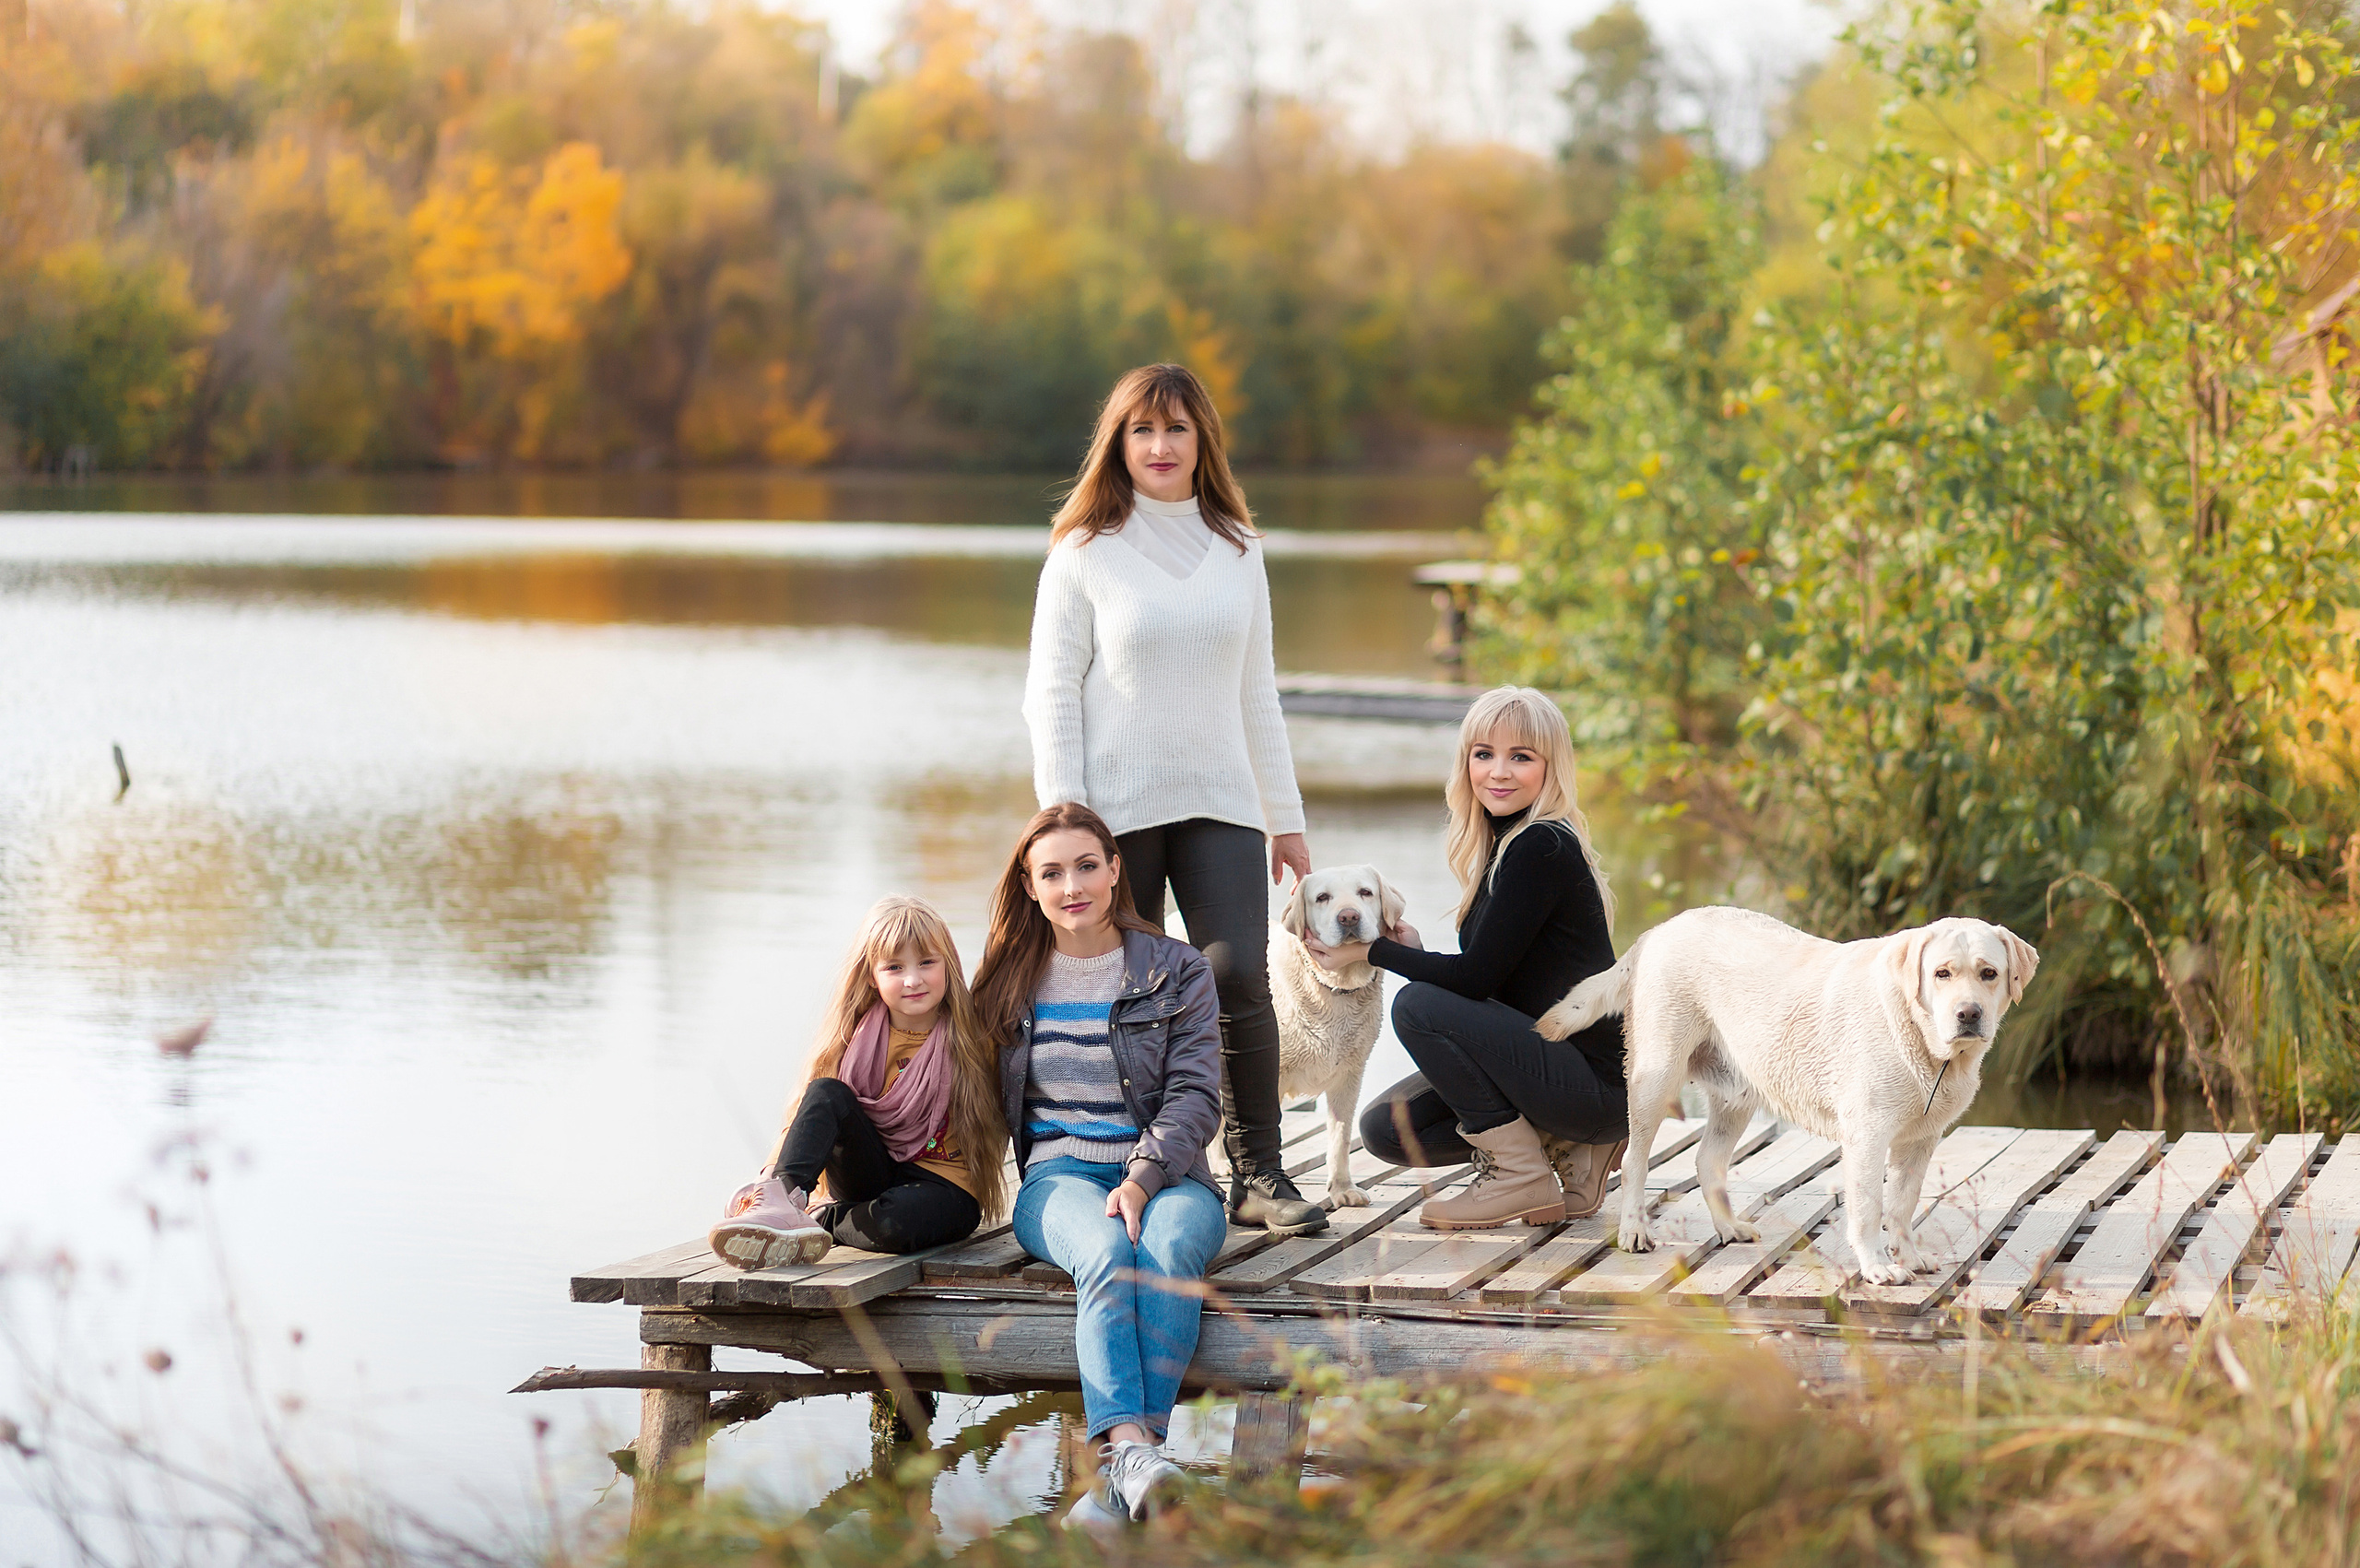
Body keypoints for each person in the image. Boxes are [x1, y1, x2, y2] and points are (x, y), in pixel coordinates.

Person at [1022, 362, 1327, 1238]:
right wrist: (1068, 822)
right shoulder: (1084, 551)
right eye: (1142, 430)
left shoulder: (1238, 547)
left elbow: (1256, 691)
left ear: (1204, 442)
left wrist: (1287, 815)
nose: (1160, 446)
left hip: (1221, 799)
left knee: (1238, 975)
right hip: (1113, 812)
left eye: (1177, 429)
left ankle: (1261, 1175)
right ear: (1118, 443)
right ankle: (1143, 1165)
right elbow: (1050, 692)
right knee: (1133, 987)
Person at [971, 802, 1227, 1529]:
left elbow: (1194, 1094)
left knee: (1171, 1243)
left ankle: (1120, 1468)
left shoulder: (1177, 970)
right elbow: (946, 1086)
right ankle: (1136, 1454)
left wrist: (1144, 1176)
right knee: (1110, 1250)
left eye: (1087, 865)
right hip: (1057, 1180)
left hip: (1171, 1174)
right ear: (1029, 885)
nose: (1072, 884)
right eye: (1051, 871)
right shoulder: (1005, 981)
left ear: (1116, 870)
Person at [1308, 687, 1627, 1230]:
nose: (1498, 772)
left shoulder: (1541, 846)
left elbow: (1476, 979)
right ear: (1466, 763)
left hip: (1594, 1083)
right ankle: (1564, 1148)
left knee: (1416, 1007)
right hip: (1554, 1066)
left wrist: (1372, 951)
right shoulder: (1504, 845)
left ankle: (1521, 1175)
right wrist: (1417, 955)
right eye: (1484, 754)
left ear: (1551, 768)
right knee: (1388, 1129)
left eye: (1521, 757)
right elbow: (1500, 980)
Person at [708, 896, 1007, 1268]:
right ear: (872, 975)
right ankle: (779, 1201)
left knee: (897, 1223)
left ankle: (820, 1220)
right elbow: (806, 1119)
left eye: (927, 962)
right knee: (826, 1091)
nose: (913, 980)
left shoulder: (977, 1035)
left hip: (943, 1188)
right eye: (895, 967)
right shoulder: (853, 1037)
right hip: (871, 1171)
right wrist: (768, 1176)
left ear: (949, 964)